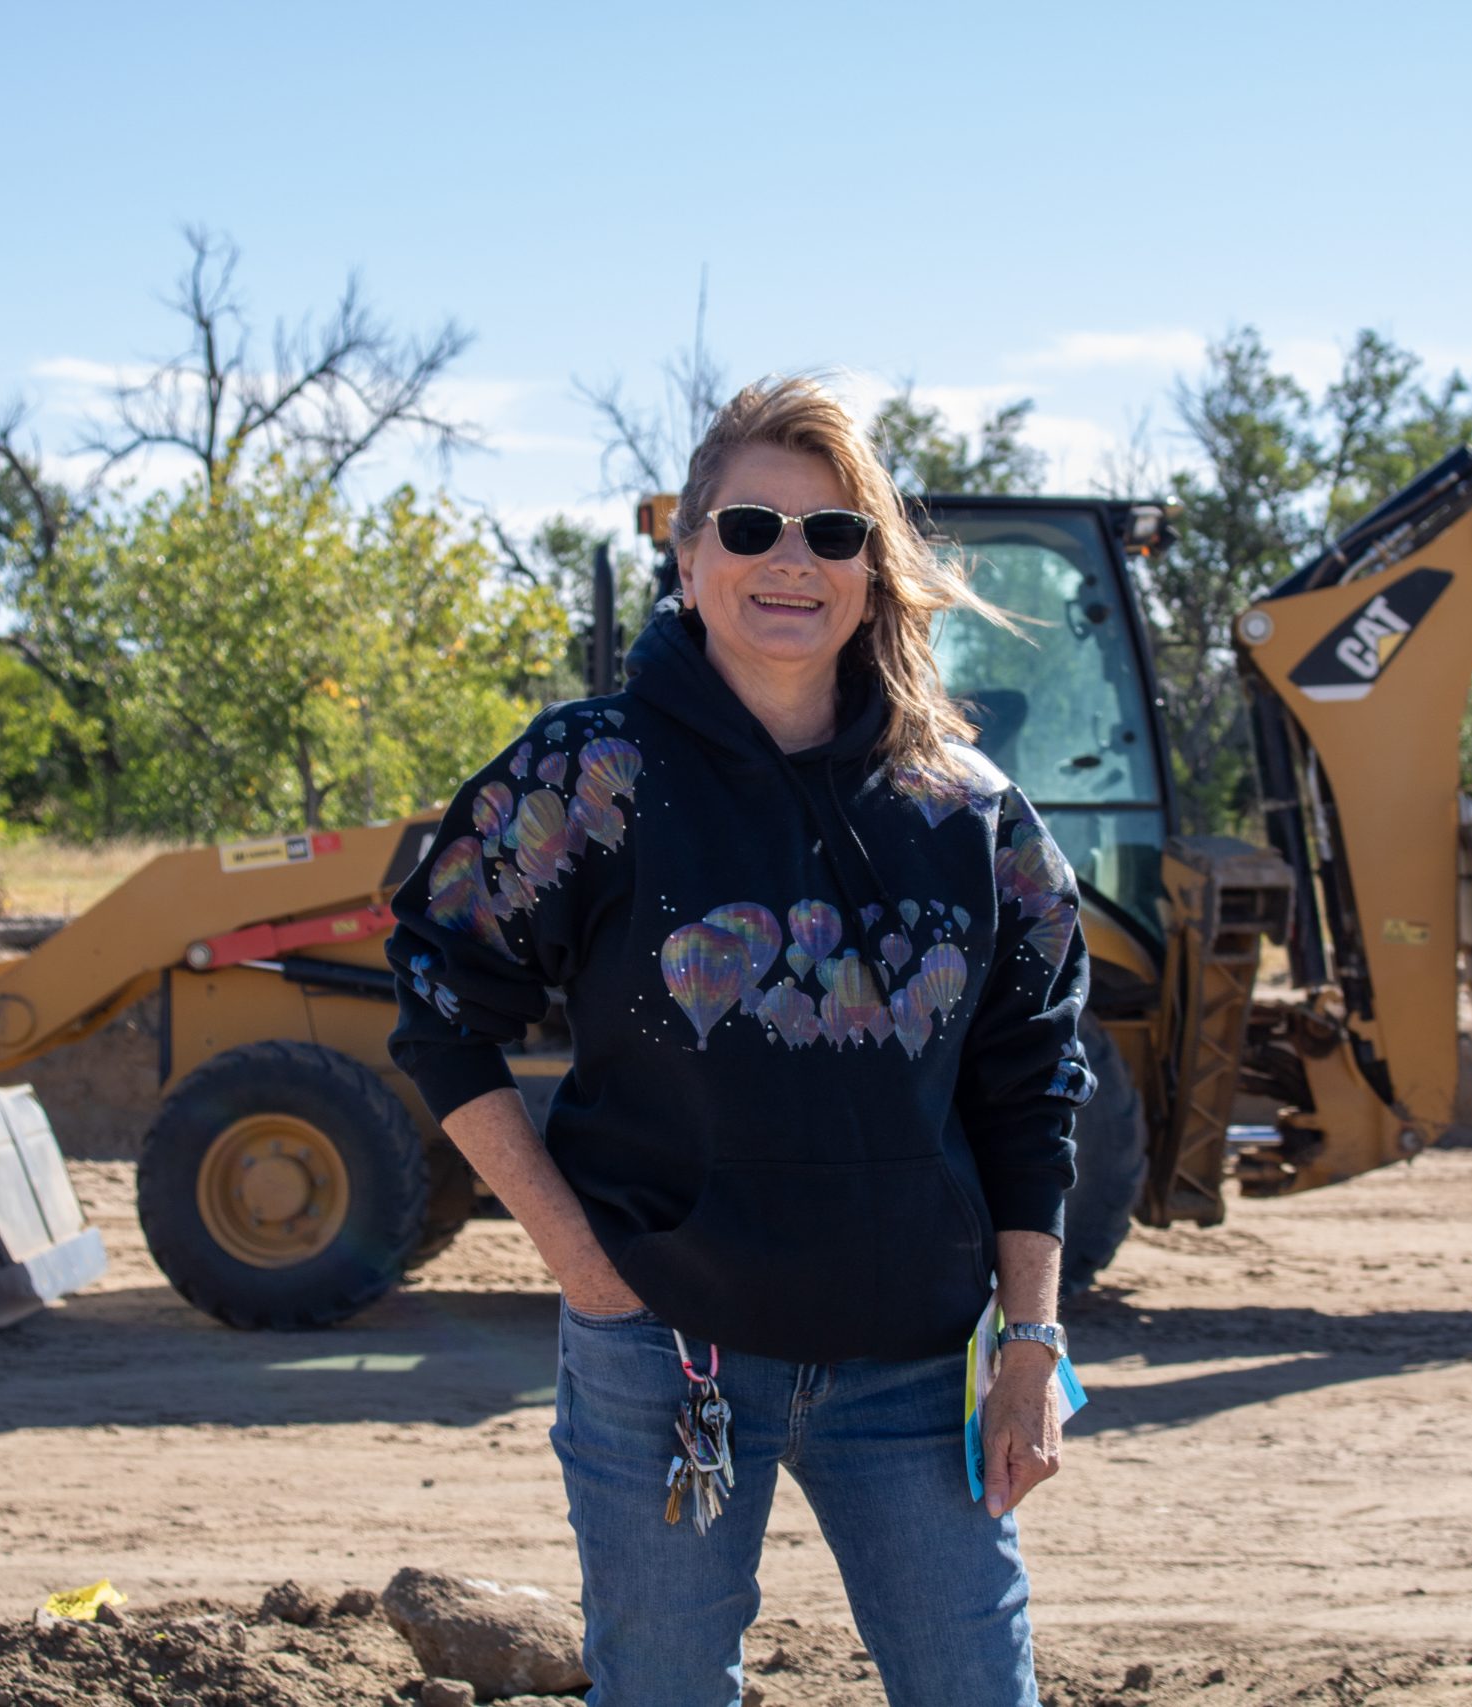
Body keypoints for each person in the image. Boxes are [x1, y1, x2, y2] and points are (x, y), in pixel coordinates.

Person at [386, 375, 1094, 1707]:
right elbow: (436, 991)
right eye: (754, 525)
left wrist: (1035, 1346)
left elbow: (1033, 1078)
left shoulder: (967, 810)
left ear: (874, 574)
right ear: (690, 549)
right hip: (670, 1356)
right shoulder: (591, 777)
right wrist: (588, 1270)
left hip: (912, 1364)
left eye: (835, 535)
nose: (792, 562)